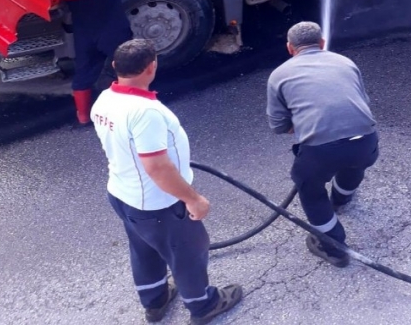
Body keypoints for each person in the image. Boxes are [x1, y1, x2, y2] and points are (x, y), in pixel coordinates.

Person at [91, 38, 243, 324]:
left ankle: (155, 301)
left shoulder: (104, 100)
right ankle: (203, 305)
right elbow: (158, 168)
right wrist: (193, 199)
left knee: (144, 249)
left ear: (115, 67)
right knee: (188, 254)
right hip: (158, 204)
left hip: (123, 195)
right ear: (152, 67)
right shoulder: (146, 113)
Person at [266, 21, 379, 267]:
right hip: (366, 141)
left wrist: (306, 123)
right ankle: (341, 199)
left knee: (310, 189)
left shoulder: (279, 75)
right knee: (353, 163)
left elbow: (277, 125)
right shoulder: (346, 62)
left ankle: (334, 247)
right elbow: (362, 100)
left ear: (290, 48)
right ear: (322, 43)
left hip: (321, 151)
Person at [57, 0, 133, 125]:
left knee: (83, 74)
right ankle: (129, 110)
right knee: (128, 68)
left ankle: (82, 116)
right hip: (114, 30)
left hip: (85, 35)